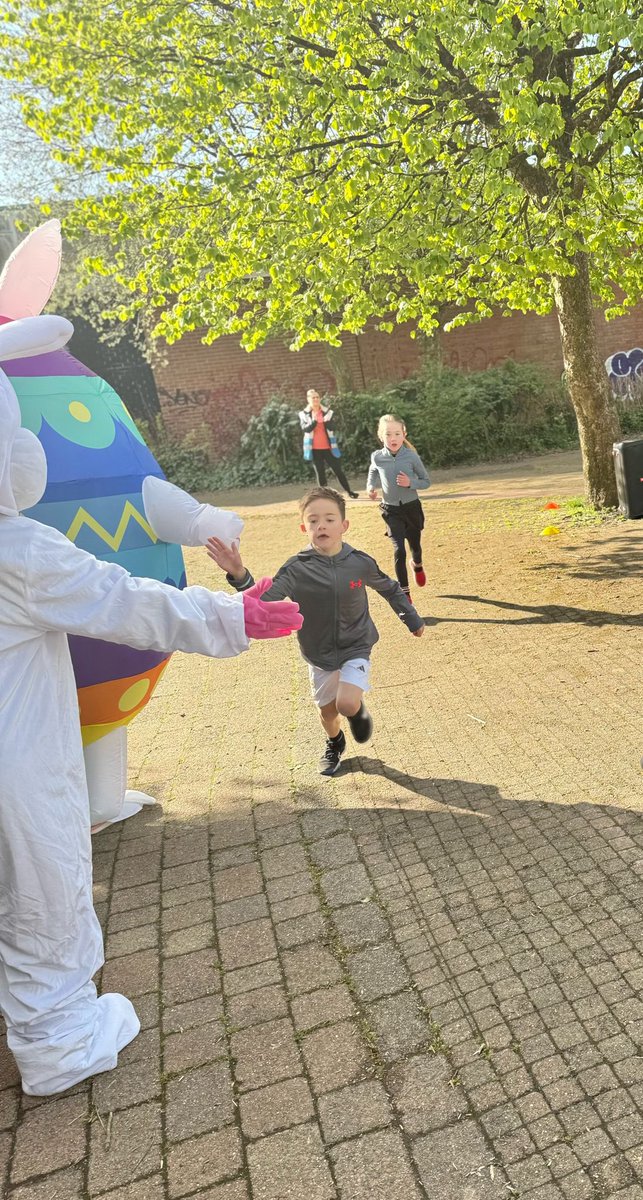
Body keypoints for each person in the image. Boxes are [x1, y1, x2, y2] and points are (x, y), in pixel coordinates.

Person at [0, 333, 302, 1096]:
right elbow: (122, 599)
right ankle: (60, 1041)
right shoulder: (16, 551)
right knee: (41, 888)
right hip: (16, 762)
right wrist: (232, 616)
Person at [207, 485, 425, 778]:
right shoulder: (297, 568)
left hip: (356, 644)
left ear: (344, 525)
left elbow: (390, 589)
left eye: (329, 519)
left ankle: (355, 708)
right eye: (313, 520)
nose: (321, 525)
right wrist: (239, 574)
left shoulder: (359, 562)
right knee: (327, 713)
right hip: (318, 652)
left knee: (346, 703)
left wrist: (412, 619)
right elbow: (263, 600)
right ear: (304, 528)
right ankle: (335, 742)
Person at [367, 413, 430, 603]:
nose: (392, 438)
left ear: (404, 434)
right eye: (388, 434)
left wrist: (410, 482)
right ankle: (405, 592)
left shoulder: (411, 457)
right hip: (391, 510)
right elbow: (373, 471)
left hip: (411, 509)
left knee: (415, 547)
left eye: (396, 434)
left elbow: (426, 481)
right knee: (399, 550)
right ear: (381, 436)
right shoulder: (377, 457)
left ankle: (417, 565)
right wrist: (370, 487)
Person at [298, 388, 359, 498]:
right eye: (313, 397)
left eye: (317, 397)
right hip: (314, 449)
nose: (316, 399)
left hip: (328, 447)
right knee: (320, 473)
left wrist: (325, 422)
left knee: (338, 470)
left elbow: (333, 427)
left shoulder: (327, 412)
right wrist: (315, 421)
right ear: (308, 399)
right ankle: (325, 497)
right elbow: (305, 429)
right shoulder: (303, 414)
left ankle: (349, 491)